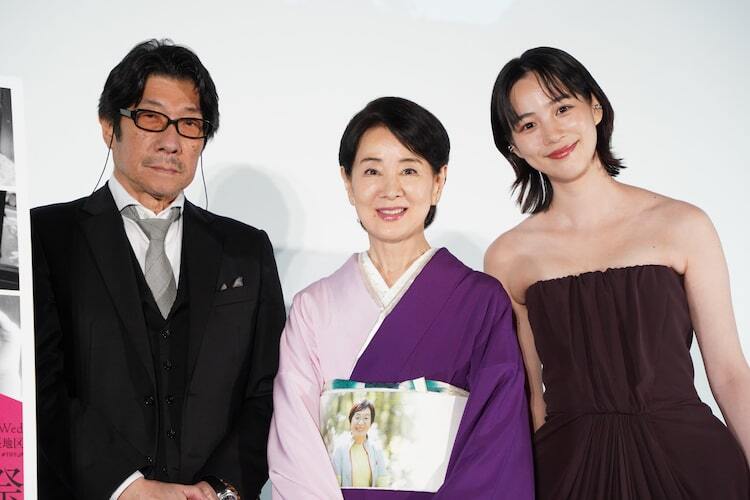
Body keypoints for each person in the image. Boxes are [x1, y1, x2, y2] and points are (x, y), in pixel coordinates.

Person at [485, 46, 750, 499]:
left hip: (692, 466)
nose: (552, 133)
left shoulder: (683, 225)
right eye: (528, 125)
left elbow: (729, 373)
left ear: (595, 106)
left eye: (562, 108)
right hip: (567, 472)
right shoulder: (508, 256)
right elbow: (531, 401)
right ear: (514, 147)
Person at [31, 39, 286, 500]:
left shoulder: (246, 249)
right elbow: (36, 381)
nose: (171, 141)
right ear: (109, 127)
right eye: (151, 117)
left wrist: (219, 488)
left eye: (189, 124)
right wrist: (126, 487)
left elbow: (269, 387)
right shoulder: (44, 237)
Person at [268, 96, 534, 499]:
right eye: (372, 171)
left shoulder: (481, 301)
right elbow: (294, 443)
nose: (390, 190)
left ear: (438, 181)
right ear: (347, 181)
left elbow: (496, 442)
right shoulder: (313, 308)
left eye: (409, 170)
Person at [331, 400, 389, 488]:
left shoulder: (377, 450)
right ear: (350, 420)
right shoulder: (340, 449)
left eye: (366, 418)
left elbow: (383, 486)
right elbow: (334, 486)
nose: (361, 423)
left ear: (371, 423)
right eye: (357, 417)